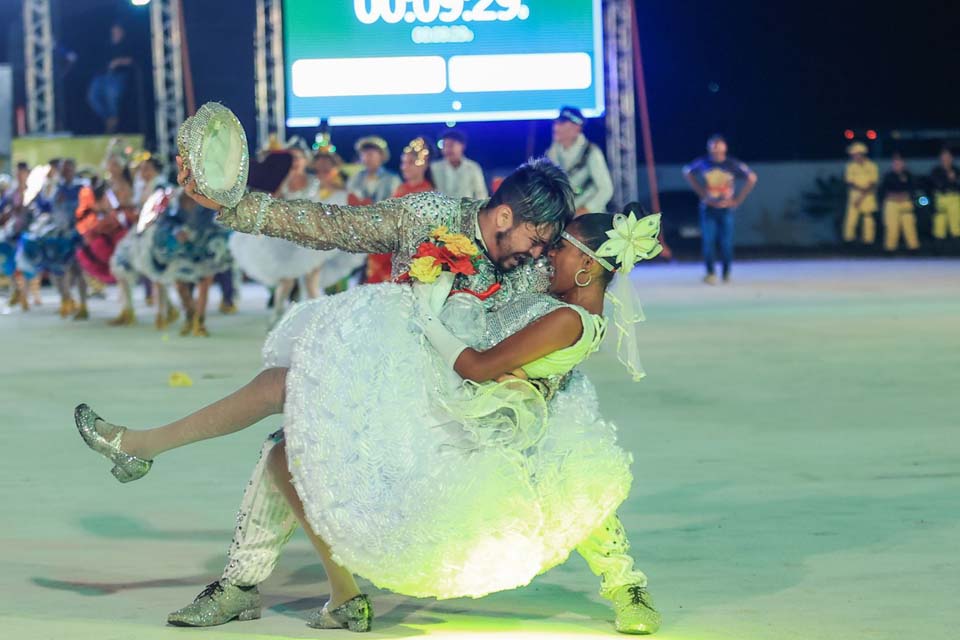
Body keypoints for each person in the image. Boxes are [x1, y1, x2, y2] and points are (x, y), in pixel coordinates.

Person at [74, 131, 661, 634]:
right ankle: (252, 584)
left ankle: (625, 583)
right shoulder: (428, 216)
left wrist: (539, 386)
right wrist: (237, 205)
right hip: (390, 385)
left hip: (467, 414)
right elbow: (332, 225)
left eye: (552, 246)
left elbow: (562, 329)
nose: (542, 255)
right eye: (539, 239)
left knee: (567, 451)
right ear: (505, 216)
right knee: (288, 429)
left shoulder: (533, 268)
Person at [682, 135, 758, 284]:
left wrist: (738, 199)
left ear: (725, 147)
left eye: (718, 146)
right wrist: (701, 193)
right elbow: (687, 171)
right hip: (708, 208)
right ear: (709, 148)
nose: (716, 150)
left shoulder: (731, 164)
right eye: (713, 146)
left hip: (726, 208)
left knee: (726, 242)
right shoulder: (704, 163)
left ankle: (726, 272)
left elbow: (752, 177)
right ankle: (711, 273)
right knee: (708, 241)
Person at [366, 136, 436, 284]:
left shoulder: (427, 192)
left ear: (424, 164)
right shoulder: (401, 187)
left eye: (410, 162)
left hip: (409, 252)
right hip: (391, 244)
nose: (404, 167)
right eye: (403, 162)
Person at [547, 106, 614, 214]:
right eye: (556, 123)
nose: (556, 127)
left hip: (589, 217)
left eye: (562, 124)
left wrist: (585, 209)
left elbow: (606, 189)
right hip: (564, 215)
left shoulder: (591, 152)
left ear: (577, 127)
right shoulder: (551, 153)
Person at [86, 22, 135, 134]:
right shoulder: (106, 44)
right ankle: (109, 119)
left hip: (117, 76)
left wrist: (118, 61)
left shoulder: (127, 45)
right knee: (92, 97)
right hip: (101, 75)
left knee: (112, 97)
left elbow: (131, 60)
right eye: (114, 30)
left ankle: (113, 120)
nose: (116, 33)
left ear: (123, 32)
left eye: (118, 31)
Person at [431, 128, 488, 200]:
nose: (447, 149)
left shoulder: (473, 167)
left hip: (466, 206)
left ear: (462, 146)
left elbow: (481, 194)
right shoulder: (434, 168)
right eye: (444, 146)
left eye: (451, 145)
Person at [879, 153, 920, 252]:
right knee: (891, 227)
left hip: (906, 203)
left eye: (899, 162)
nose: (897, 164)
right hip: (891, 204)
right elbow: (882, 191)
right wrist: (893, 196)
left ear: (903, 163)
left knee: (909, 227)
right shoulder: (888, 176)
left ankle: (913, 248)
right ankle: (890, 249)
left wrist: (906, 196)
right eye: (895, 162)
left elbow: (914, 190)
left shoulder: (909, 176)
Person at [843, 141, 879, 246]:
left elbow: (873, 182)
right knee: (851, 218)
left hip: (868, 195)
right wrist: (860, 192)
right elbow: (849, 182)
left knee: (868, 218)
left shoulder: (872, 166)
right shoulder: (850, 166)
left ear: (861, 153)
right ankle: (849, 241)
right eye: (852, 154)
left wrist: (863, 194)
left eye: (855, 154)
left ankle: (868, 241)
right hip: (854, 195)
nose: (853, 156)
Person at [345, 136, 400, 205]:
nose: (366, 159)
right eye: (363, 155)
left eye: (370, 154)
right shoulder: (355, 178)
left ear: (381, 156)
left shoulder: (392, 179)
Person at [930, 147, 960, 241]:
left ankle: (956, 242)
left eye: (948, 156)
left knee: (956, 222)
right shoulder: (936, 171)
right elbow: (935, 184)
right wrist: (948, 179)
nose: (946, 159)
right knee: (939, 222)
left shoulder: (956, 170)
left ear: (952, 158)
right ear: (940, 158)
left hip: (955, 198)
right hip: (941, 198)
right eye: (944, 156)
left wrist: (954, 179)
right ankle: (939, 242)